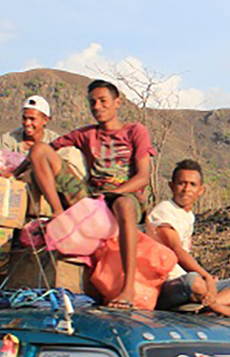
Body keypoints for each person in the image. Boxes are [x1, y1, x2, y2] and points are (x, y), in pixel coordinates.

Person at [28, 80, 155, 309]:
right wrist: (12, 173)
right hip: (92, 195)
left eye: (103, 101)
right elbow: (48, 149)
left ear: (118, 102)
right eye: (92, 102)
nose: (97, 106)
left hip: (125, 194)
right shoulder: (86, 134)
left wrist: (114, 192)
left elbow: (143, 177)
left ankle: (128, 288)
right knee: (39, 150)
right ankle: (58, 212)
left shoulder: (135, 131)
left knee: (124, 205)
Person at [148, 160, 230, 319]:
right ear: (171, 186)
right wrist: (205, 276)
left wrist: (209, 279)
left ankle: (206, 306)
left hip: (189, 283)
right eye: (181, 183)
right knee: (194, 282)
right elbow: (176, 250)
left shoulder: (188, 216)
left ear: (201, 190)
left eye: (192, 184)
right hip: (168, 285)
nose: (186, 189)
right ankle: (221, 308)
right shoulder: (164, 211)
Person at [0, 95, 86, 217]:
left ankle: (58, 210)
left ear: (45, 120)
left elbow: (61, 171)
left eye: (32, 119)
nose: (27, 123)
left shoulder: (55, 141)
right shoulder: (9, 139)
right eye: (24, 118)